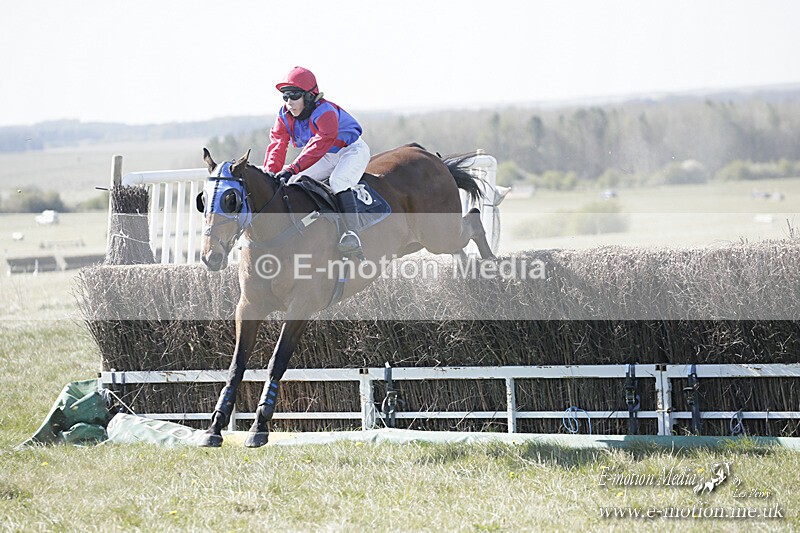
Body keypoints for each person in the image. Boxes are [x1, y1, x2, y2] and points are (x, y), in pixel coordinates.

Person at [263, 66, 369, 256]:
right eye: (285, 97)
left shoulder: (325, 112)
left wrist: (293, 168)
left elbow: (319, 144)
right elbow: (278, 144)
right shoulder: (284, 116)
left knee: (339, 181)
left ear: (310, 96)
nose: (289, 102)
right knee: (292, 182)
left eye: (294, 95)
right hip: (327, 155)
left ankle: (353, 234)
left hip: (351, 151)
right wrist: (270, 173)